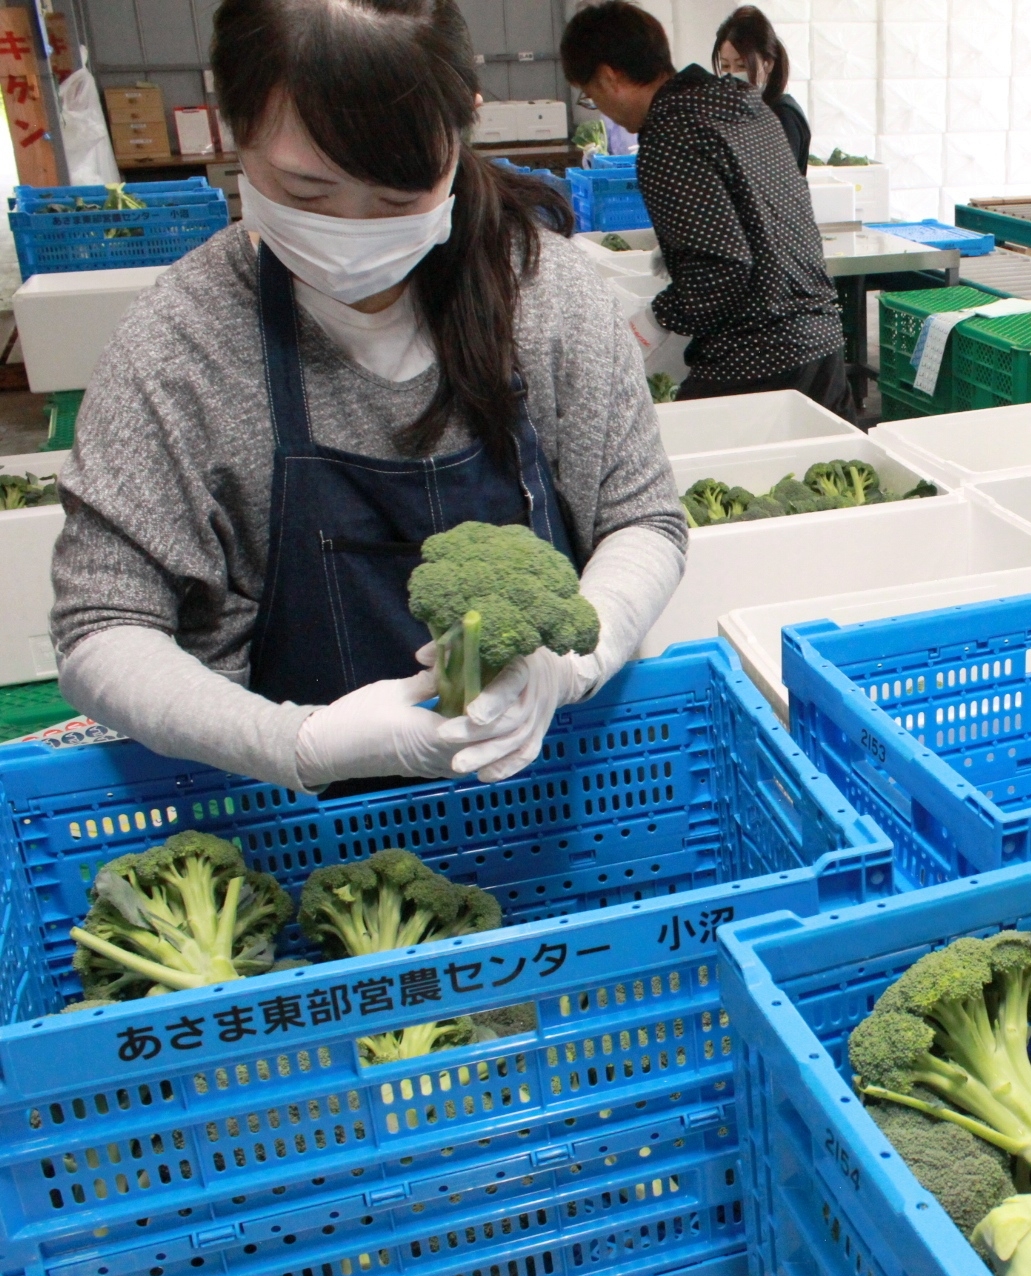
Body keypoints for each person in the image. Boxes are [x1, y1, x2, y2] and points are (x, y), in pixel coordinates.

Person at [48, 0, 688, 796]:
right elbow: (102, 628)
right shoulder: (180, 346)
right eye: (306, 192)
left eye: (396, 198)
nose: (353, 232)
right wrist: (299, 743)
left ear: (461, 132)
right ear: (233, 127)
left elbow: (643, 519)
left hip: (543, 786)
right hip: (281, 817)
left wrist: (565, 670)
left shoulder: (544, 294)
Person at [561, 2, 853, 418]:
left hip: (757, 357)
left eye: (590, 96)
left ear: (610, 77)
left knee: (681, 465)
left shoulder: (671, 131)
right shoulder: (740, 103)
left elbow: (720, 269)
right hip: (821, 343)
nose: (599, 108)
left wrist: (649, 323)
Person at [715, 6, 809, 173]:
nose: (732, 75)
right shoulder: (735, 114)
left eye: (742, 65)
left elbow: (775, 183)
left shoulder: (783, 115)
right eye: (725, 66)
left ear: (768, 64)